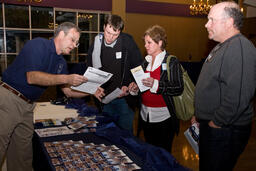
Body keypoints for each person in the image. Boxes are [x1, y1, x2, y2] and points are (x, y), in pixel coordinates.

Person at [0, 22, 95, 171]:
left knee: (22, 154)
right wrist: (66, 78)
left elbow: (68, 92)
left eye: (77, 43)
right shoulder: (38, 45)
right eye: (72, 40)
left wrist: (92, 91)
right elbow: (32, 77)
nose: (75, 45)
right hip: (9, 99)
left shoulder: (61, 63)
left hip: (28, 106)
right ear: (61, 34)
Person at [193, 1, 256, 170]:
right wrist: (200, 116)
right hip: (215, 126)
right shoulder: (223, 45)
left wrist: (216, 122)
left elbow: (239, 96)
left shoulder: (240, 48)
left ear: (229, 22)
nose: (207, 25)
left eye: (211, 20)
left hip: (224, 129)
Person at [86, 14, 142, 131]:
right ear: (104, 27)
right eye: (108, 32)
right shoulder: (96, 44)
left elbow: (138, 66)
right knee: (107, 135)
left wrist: (132, 83)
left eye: (115, 35)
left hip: (124, 99)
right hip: (104, 99)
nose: (110, 37)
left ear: (120, 32)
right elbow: (90, 70)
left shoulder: (127, 42)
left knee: (126, 136)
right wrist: (94, 88)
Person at [140, 25, 183, 152]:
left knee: (163, 155)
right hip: (145, 116)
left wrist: (155, 84)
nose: (145, 46)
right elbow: (143, 85)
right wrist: (135, 88)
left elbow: (178, 87)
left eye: (149, 42)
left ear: (160, 43)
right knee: (151, 152)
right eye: (145, 42)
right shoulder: (145, 62)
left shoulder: (172, 61)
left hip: (164, 118)